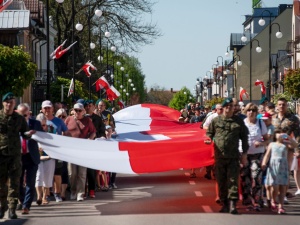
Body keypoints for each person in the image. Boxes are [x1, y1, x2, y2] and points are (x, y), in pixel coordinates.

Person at [206, 98, 249, 214]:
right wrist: (208, 139)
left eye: (231, 106)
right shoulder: (216, 121)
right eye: (227, 106)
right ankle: (224, 203)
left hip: (233, 157)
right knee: (221, 181)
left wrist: (244, 154)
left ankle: (232, 204)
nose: (229, 108)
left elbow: (244, 138)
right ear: (223, 108)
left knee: (233, 180)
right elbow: (209, 133)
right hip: (219, 156)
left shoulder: (238, 121)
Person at [0, 92, 35, 219]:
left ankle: (12, 209)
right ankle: (2, 207)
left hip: (15, 156)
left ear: (14, 103)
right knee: (1, 184)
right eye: (7, 102)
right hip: (1, 155)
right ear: (3, 103)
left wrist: (29, 134)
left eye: (11, 102)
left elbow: (25, 133)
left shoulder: (19, 118)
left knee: (14, 184)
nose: (9, 104)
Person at [262, 128, 298, 214]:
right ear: (275, 135)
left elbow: (295, 145)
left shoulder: (286, 144)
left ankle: (281, 206)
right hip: (273, 166)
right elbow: (267, 155)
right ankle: (273, 201)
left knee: (283, 187)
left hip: (283, 166)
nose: (280, 135)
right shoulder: (272, 144)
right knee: (275, 186)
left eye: (281, 133)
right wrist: (264, 163)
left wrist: (288, 138)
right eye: (278, 133)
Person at [65, 103, 96, 201]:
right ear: (73, 110)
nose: (77, 112)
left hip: (82, 149)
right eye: (76, 110)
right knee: (72, 173)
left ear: (83, 111)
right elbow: (63, 131)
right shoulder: (68, 119)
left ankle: (80, 193)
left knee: (82, 173)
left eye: (79, 110)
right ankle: (73, 191)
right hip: (71, 149)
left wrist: (90, 140)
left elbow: (93, 132)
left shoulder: (87, 120)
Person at [241, 103, 269, 211]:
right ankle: (247, 200)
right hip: (244, 153)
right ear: (246, 112)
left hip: (257, 154)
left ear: (256, 112)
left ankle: (257, 200)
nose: (251, 112)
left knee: (256, 176)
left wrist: (261, 143)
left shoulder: (260, 123)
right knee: (245, 177)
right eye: (249, 110)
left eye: (253, 110)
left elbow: (267, 139)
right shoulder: (242, 123)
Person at [41, 100, 70, 203]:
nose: (47, 110)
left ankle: (57, 193)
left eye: (49, 107)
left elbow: (66, 132)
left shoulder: (59, 121)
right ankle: (47, 194)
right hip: (43, 152)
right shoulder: (39, 120)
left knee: (57, 174)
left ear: (53, 109)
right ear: (42, 109)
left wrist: (63, 137)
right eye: (45, 108)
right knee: (45, 174)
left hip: (56, 151)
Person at [16, 103, 43, 215]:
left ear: (29, 113)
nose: (24, 117)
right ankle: (22, 201)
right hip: (18, 156)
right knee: (17, 182)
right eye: (21, 115)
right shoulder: (13, 124)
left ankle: (26, 206)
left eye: (26, 115)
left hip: (31, 156)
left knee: (30, 183)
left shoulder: (35, 124)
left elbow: (44, 137)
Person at [272, 97, 300, 202]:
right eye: (279, 104)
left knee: (285, 171)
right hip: (275, 148)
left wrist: (297, 149)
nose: (281, 107)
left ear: (287, 106)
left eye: (283, 104)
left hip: (287, 148)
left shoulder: (293, 119)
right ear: (277, 106)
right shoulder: (273, 118)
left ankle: (283, 194)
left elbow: (298, 135)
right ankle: (276, 194)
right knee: (275, 171)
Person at [84, 100, 105, 197]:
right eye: (86, 106)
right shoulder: (81, 118)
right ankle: (82, 189)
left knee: (91, 170)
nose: (88, 107)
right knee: (81, 170)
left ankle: (92, 189)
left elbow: (102, 131)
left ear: (93, 107)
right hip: (82, 147)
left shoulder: (97, 118)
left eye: (90, 105)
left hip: (93, 147)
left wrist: (99, 138)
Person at [34, 113, 55, 206]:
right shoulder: (33, 131)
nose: (42, 127)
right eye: (40, 125)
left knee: (47, 178)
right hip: (37, 158)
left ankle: (44, 197)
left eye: (43, 125)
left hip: (49, 157)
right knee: (39, 176)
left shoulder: (51, 130)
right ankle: (39, 196)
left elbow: (55, 142)